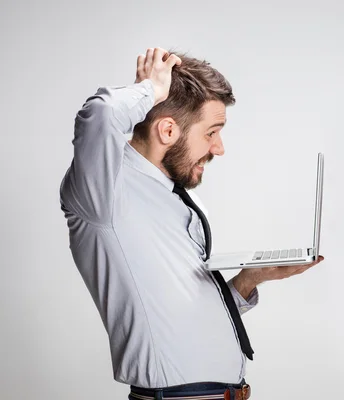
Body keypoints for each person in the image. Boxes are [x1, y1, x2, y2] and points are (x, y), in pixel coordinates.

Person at [59, 47, 324, 400]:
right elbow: (99, 115)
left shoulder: (179, 197)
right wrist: (149, 92)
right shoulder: (104, 193)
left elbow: (182, 319)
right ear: (168, 130)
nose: (219, 148)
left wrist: (249, 281)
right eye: (212, 132)